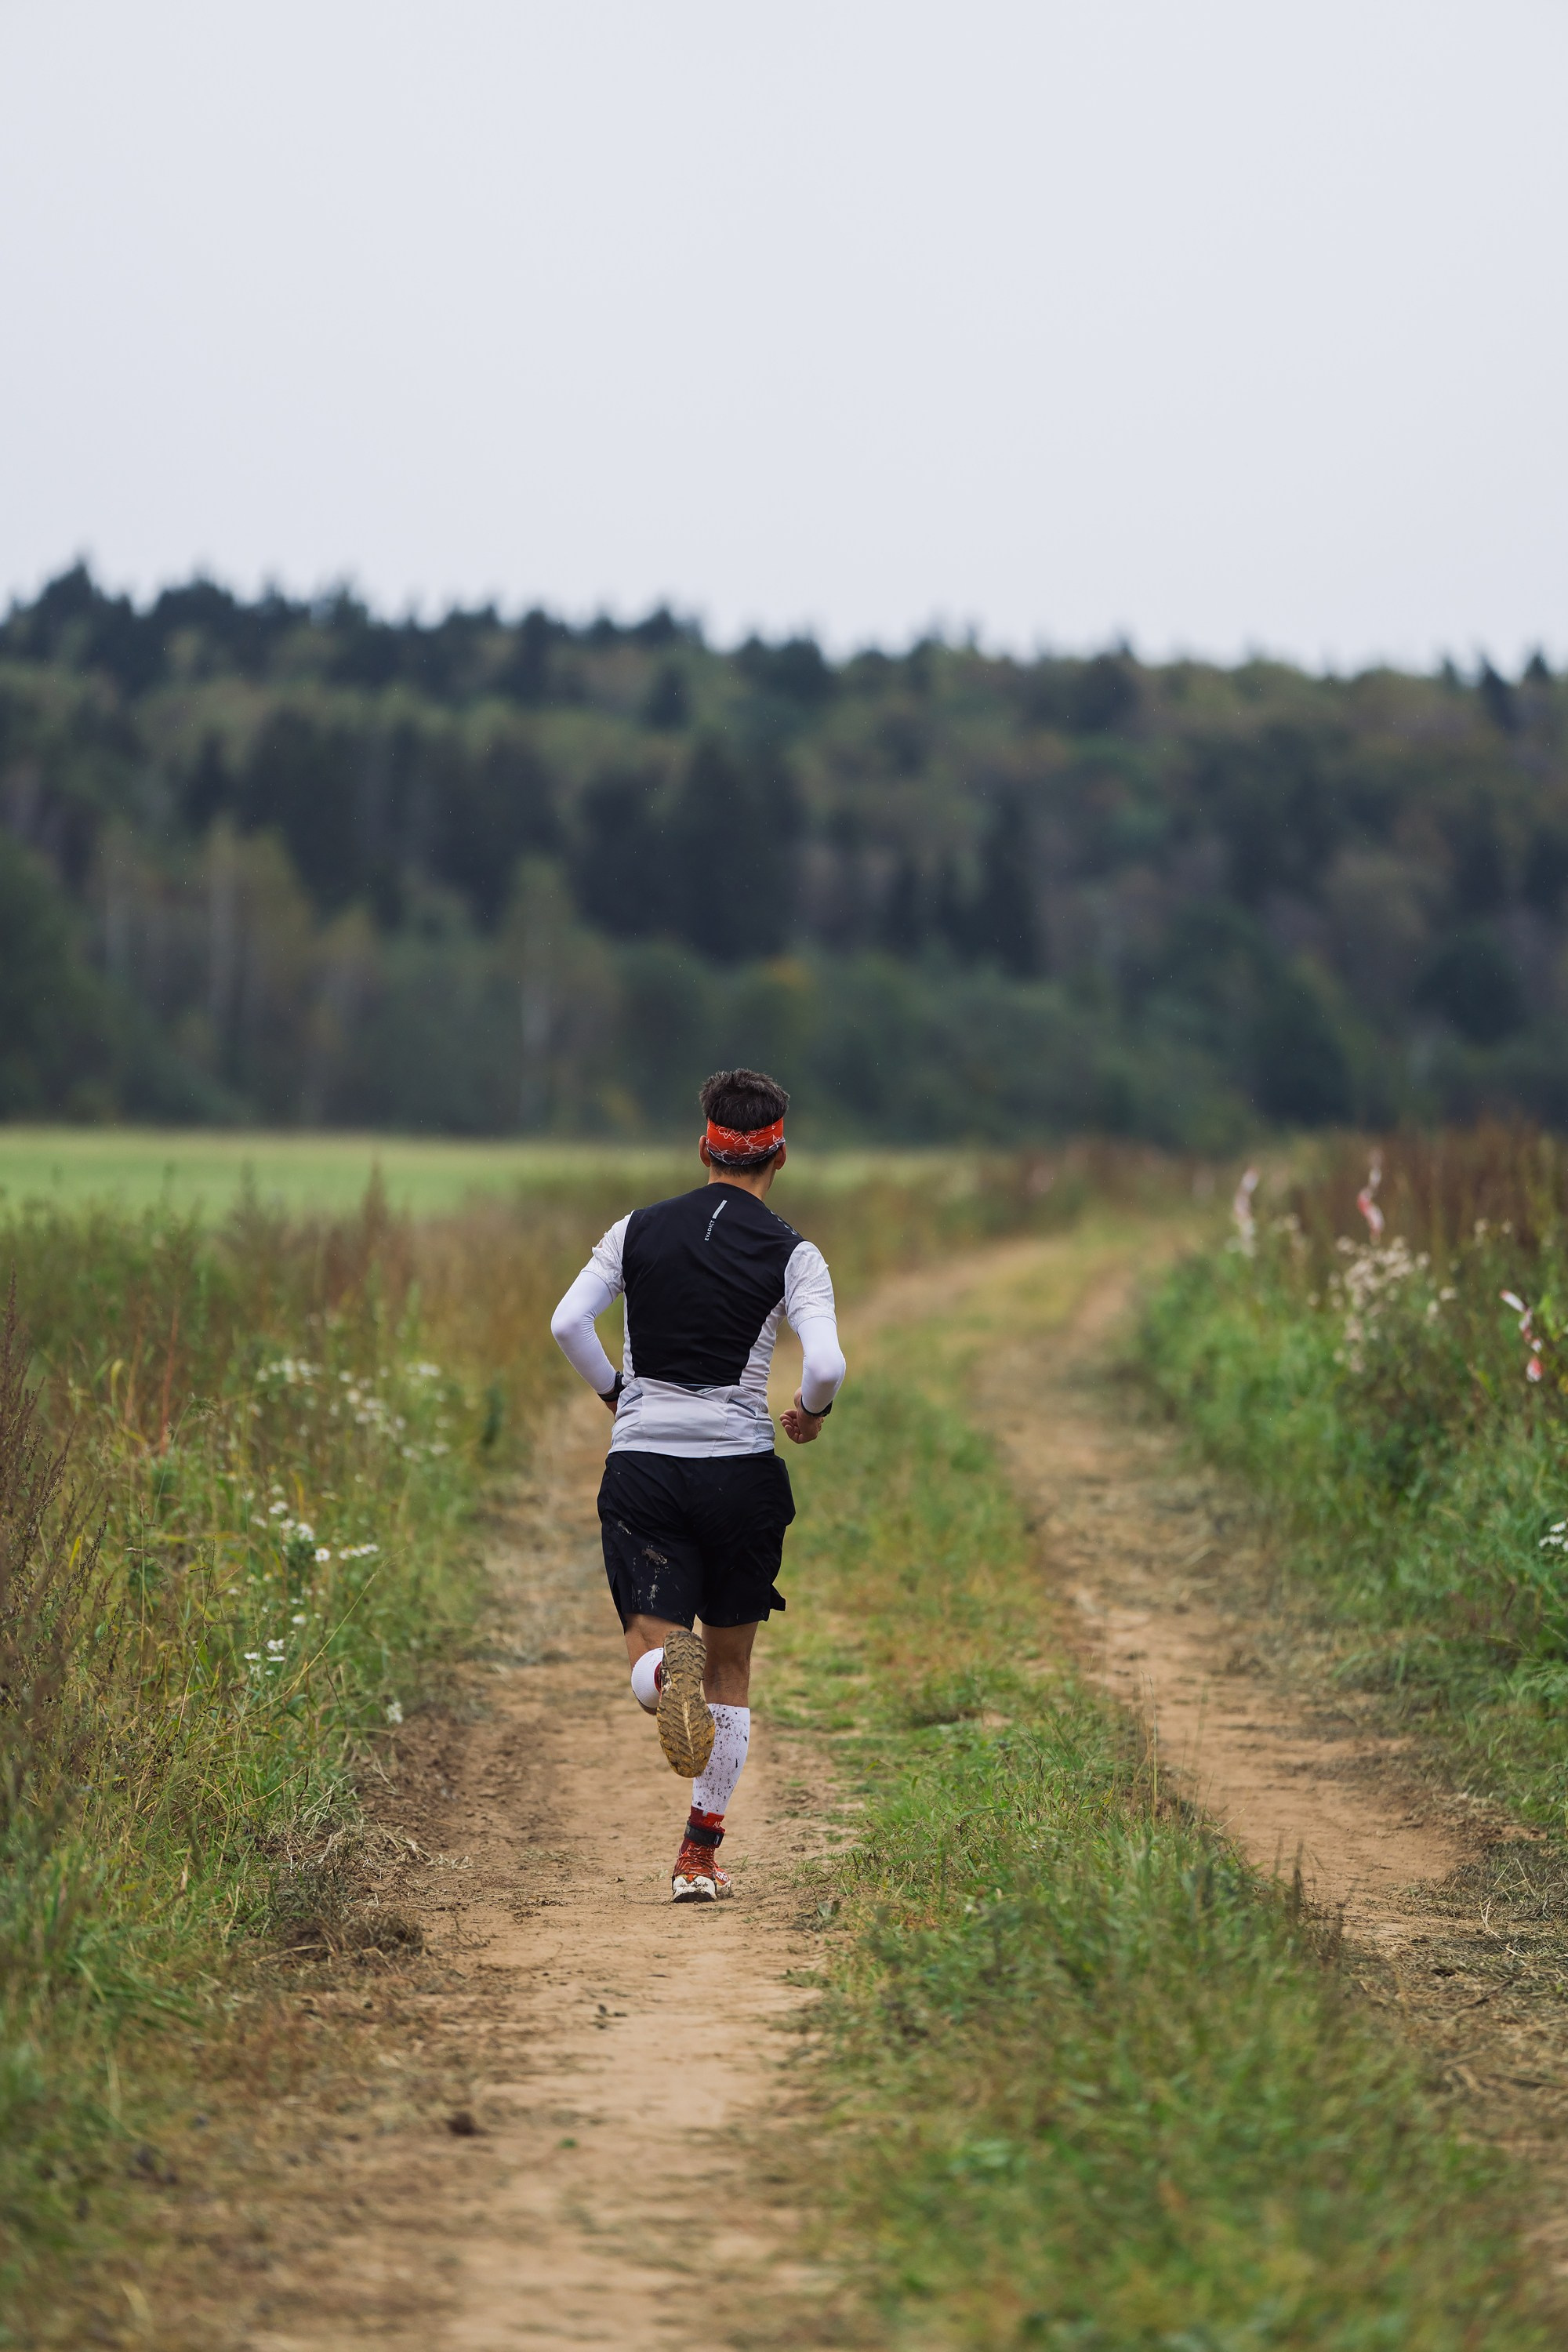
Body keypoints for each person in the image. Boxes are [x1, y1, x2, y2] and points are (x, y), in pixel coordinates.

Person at [549, 1069, 846, 1902]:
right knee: (729, 1673)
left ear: (702, 1147)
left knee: (654, 1655)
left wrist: (617, 1393)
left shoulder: (634, 1229)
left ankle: (656, 1679)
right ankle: (698, 1859)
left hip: (644, 1464)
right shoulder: (795, 1253)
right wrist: (810, 1411)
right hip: (740, 1472)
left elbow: (566, 1322)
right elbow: (824, 1364)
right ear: (778, 1154)